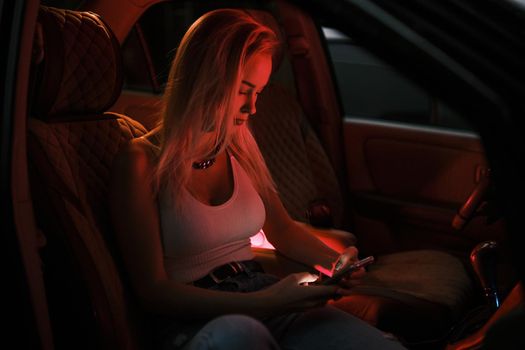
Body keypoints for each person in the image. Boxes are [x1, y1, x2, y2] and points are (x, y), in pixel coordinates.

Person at [110, 8, 406, 350]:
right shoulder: (140, 162)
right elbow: (154, 292)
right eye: (243, 90)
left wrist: (334, 263)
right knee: (240, 336)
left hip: (261, 291)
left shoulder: (240, 146)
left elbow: (282, 229)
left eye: (260, 92)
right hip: (194, 319)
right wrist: (268, 302)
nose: (252, 108)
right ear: (206, 79)